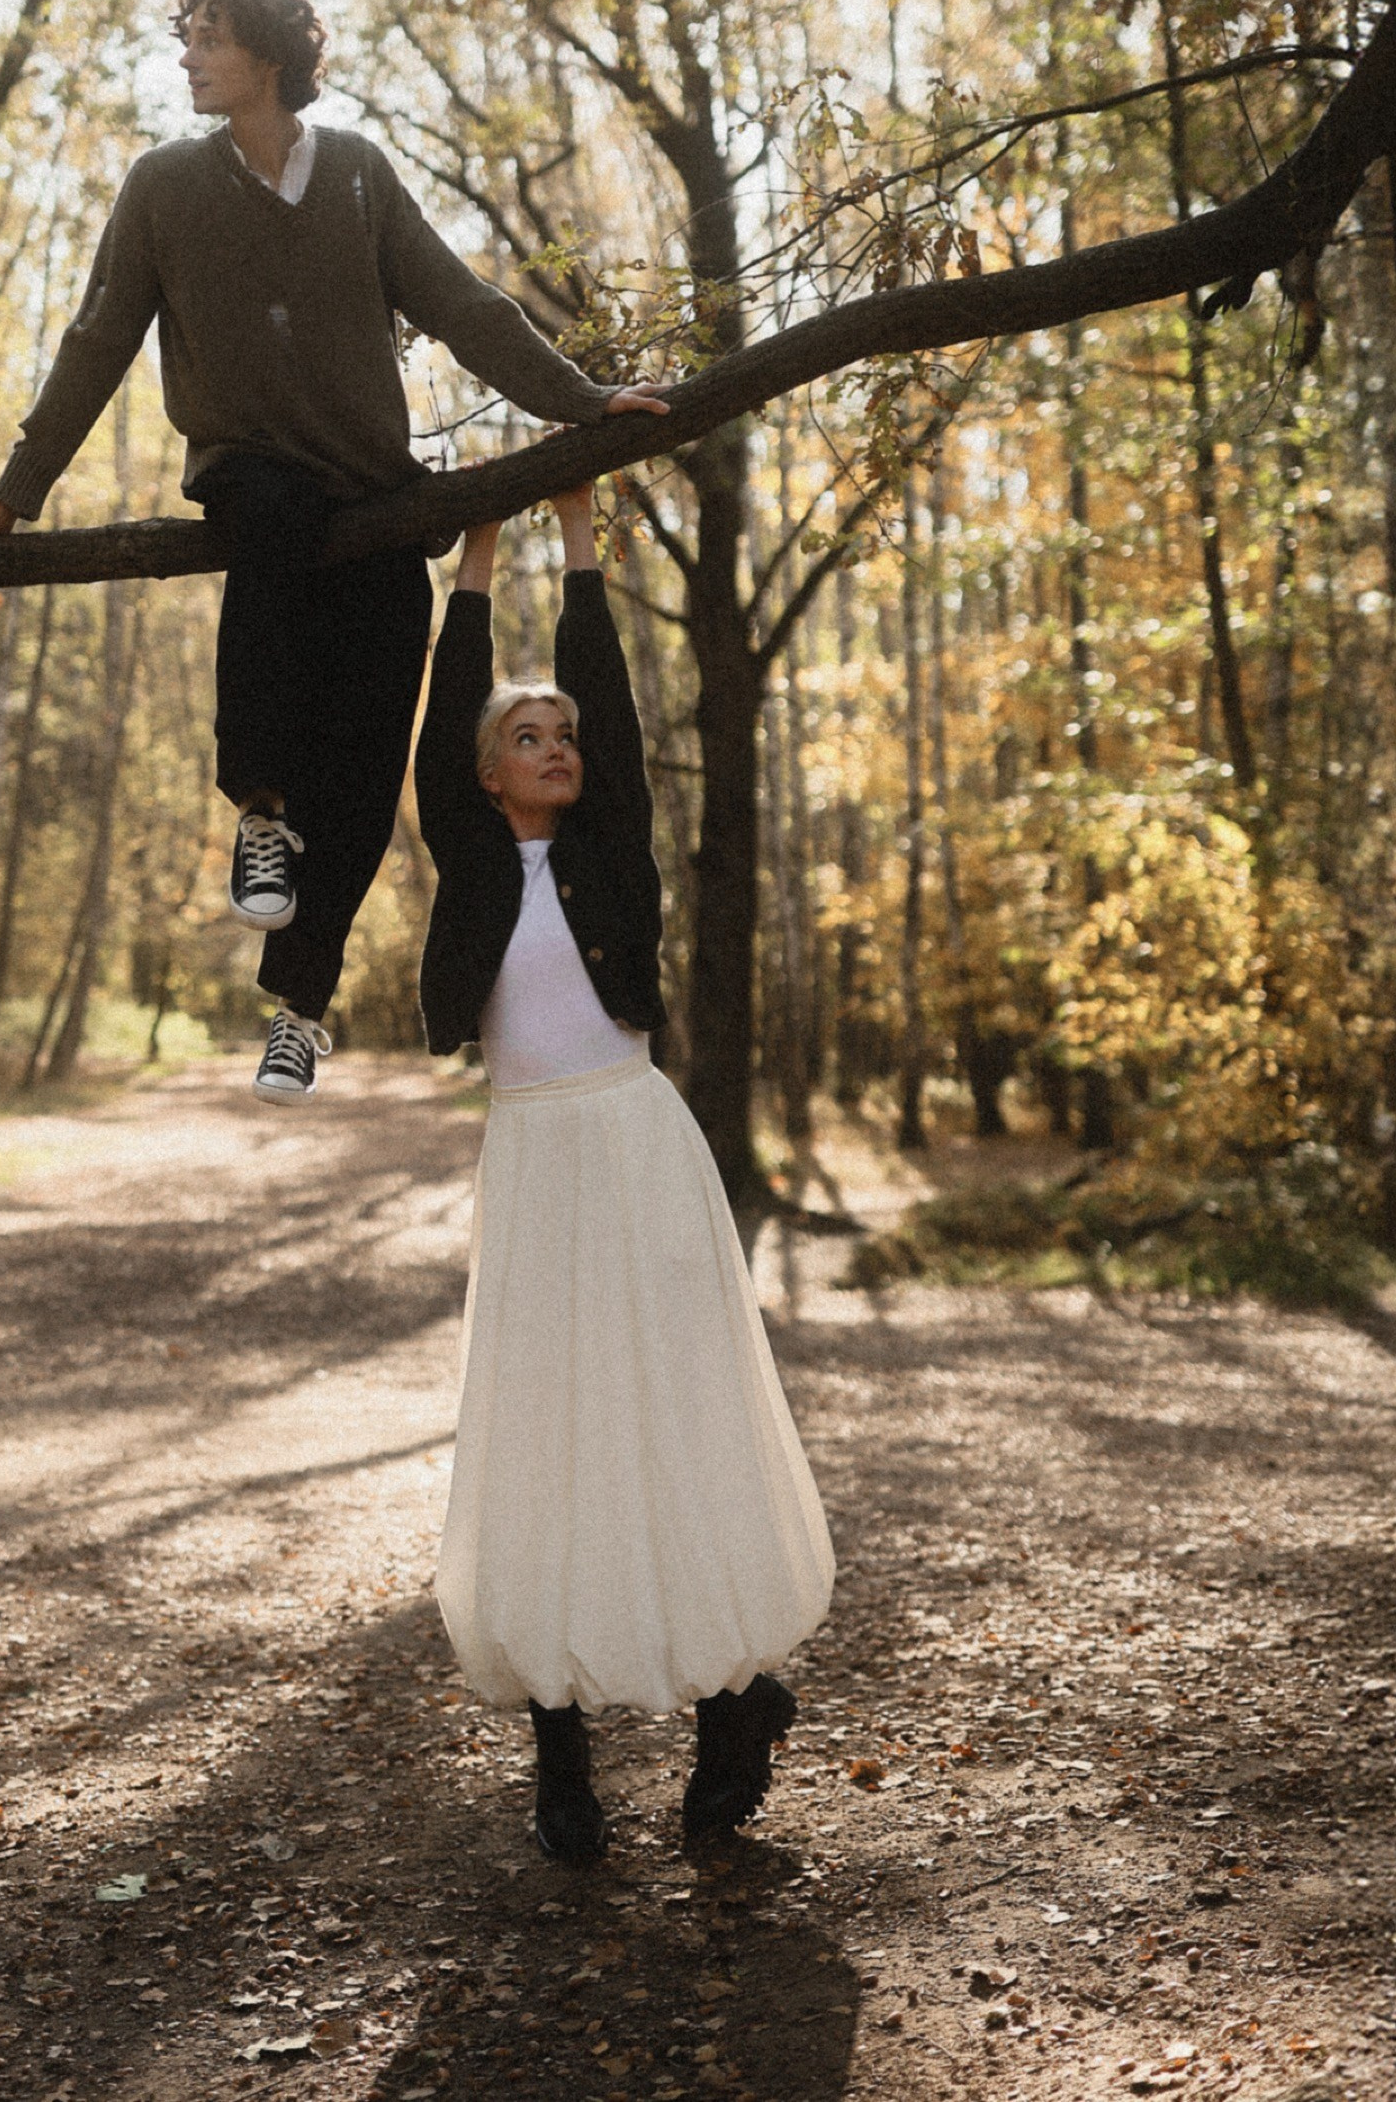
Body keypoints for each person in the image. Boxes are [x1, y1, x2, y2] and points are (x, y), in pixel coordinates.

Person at [0, 0, 666, 1101]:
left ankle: (302, 1004)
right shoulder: (163, 186)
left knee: (369, 769)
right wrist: (9, 501)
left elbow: (463, 304)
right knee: (266, 539)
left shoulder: (360, 175)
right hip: (256, 481)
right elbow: (94, 343)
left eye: (207, 41)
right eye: (186, 40)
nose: (187, 60)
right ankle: (260, 810)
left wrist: (580, 402)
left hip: (376, 502)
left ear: (268, 55)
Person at [413, 482, 835, 1864]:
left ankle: (734, 1704)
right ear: (487, 775)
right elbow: (437, 732)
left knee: (671, 1419)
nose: (555, 749)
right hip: (534, 1166)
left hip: (640, 1152)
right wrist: (477, 550)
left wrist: (583, 541)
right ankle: (561, 1756)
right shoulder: (474, 862)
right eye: (525, 738)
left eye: (563, 739)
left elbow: (614, 707)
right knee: (547, 1434)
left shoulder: (612, 852)